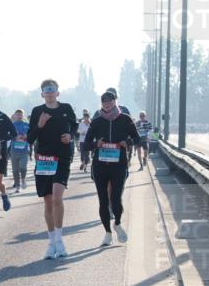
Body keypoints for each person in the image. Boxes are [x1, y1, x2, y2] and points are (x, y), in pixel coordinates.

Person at [27, 79, 78, 260]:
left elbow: (75, 127)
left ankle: (60, 240)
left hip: (62, 158)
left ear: (57, 92)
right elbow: (29, 138)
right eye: (46, 91)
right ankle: (51, 243)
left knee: (57, 198)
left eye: (52, 90)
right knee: (48, 202)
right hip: (44, 160)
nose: (49, 93)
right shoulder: (36, 112)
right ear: (42, 94)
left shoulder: (66, 109)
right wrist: (39, 125)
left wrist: (70, 136)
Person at [85, 92, 140, 246]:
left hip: (119, 165)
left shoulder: (125, 119)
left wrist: (126, 142)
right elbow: (86, 144)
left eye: (109, 101)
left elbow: (137, 139)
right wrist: (96, 144)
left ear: (115, 101)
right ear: (101, 104)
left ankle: (117, 223)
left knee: (116, 199)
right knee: (103, 200)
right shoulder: (96, 121)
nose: (107, 104)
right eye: (104, 102)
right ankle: (108, 233)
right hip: (100, 166)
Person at [10, 109, 30, 191]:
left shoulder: (27, 125)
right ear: (14, 115)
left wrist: (26, 136)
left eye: (20, 114)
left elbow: (32, 135)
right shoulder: (12, 125)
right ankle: (17, 186)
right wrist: (15, 137)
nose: (19, 116)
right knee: (15, 170)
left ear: (23, 115)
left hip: (24, 150)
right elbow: (8, 135)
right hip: (14, 151)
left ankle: (23, 179)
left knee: (23, 167)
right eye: (17, 114)